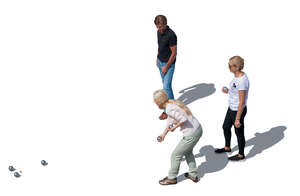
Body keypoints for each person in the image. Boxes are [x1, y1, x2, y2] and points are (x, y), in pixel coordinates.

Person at [153, 89, 202, 185]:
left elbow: (182, 119)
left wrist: (175, 127)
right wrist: (164, 134)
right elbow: (170, 121)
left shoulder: (168, 108)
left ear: (159, 102)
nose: (154, 103)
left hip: (191, 133)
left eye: (155, 101)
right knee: (188, 152)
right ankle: (193, 174)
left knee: (176, 155)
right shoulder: (171, 103)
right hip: (197, 129)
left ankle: (172, 178)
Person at [215, 56, 250, 161]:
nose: (228, 67)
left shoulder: (242, 81)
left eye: (230, 65)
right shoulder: (236, 76)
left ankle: (241, 154)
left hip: (238, 110)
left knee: (238, 132)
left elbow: (242, 101)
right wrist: (228, 91)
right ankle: (227, 147)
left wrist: (238, 118)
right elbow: (235, 90)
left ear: (237, 67)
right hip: (231, 108)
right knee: (225, 127)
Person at [154, 15, 177, 120]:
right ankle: (173, 106)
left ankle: (168, 111)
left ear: (165, 24)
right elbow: (160, 46)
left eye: (161, 27)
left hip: (169, 64)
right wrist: (157, 58)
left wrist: (166, 67)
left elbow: (174, 53)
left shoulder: (171, 35)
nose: (160, 29)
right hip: (160, 62)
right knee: (166, 87)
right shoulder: (158, 32)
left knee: (166, 87)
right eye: (158, 27)